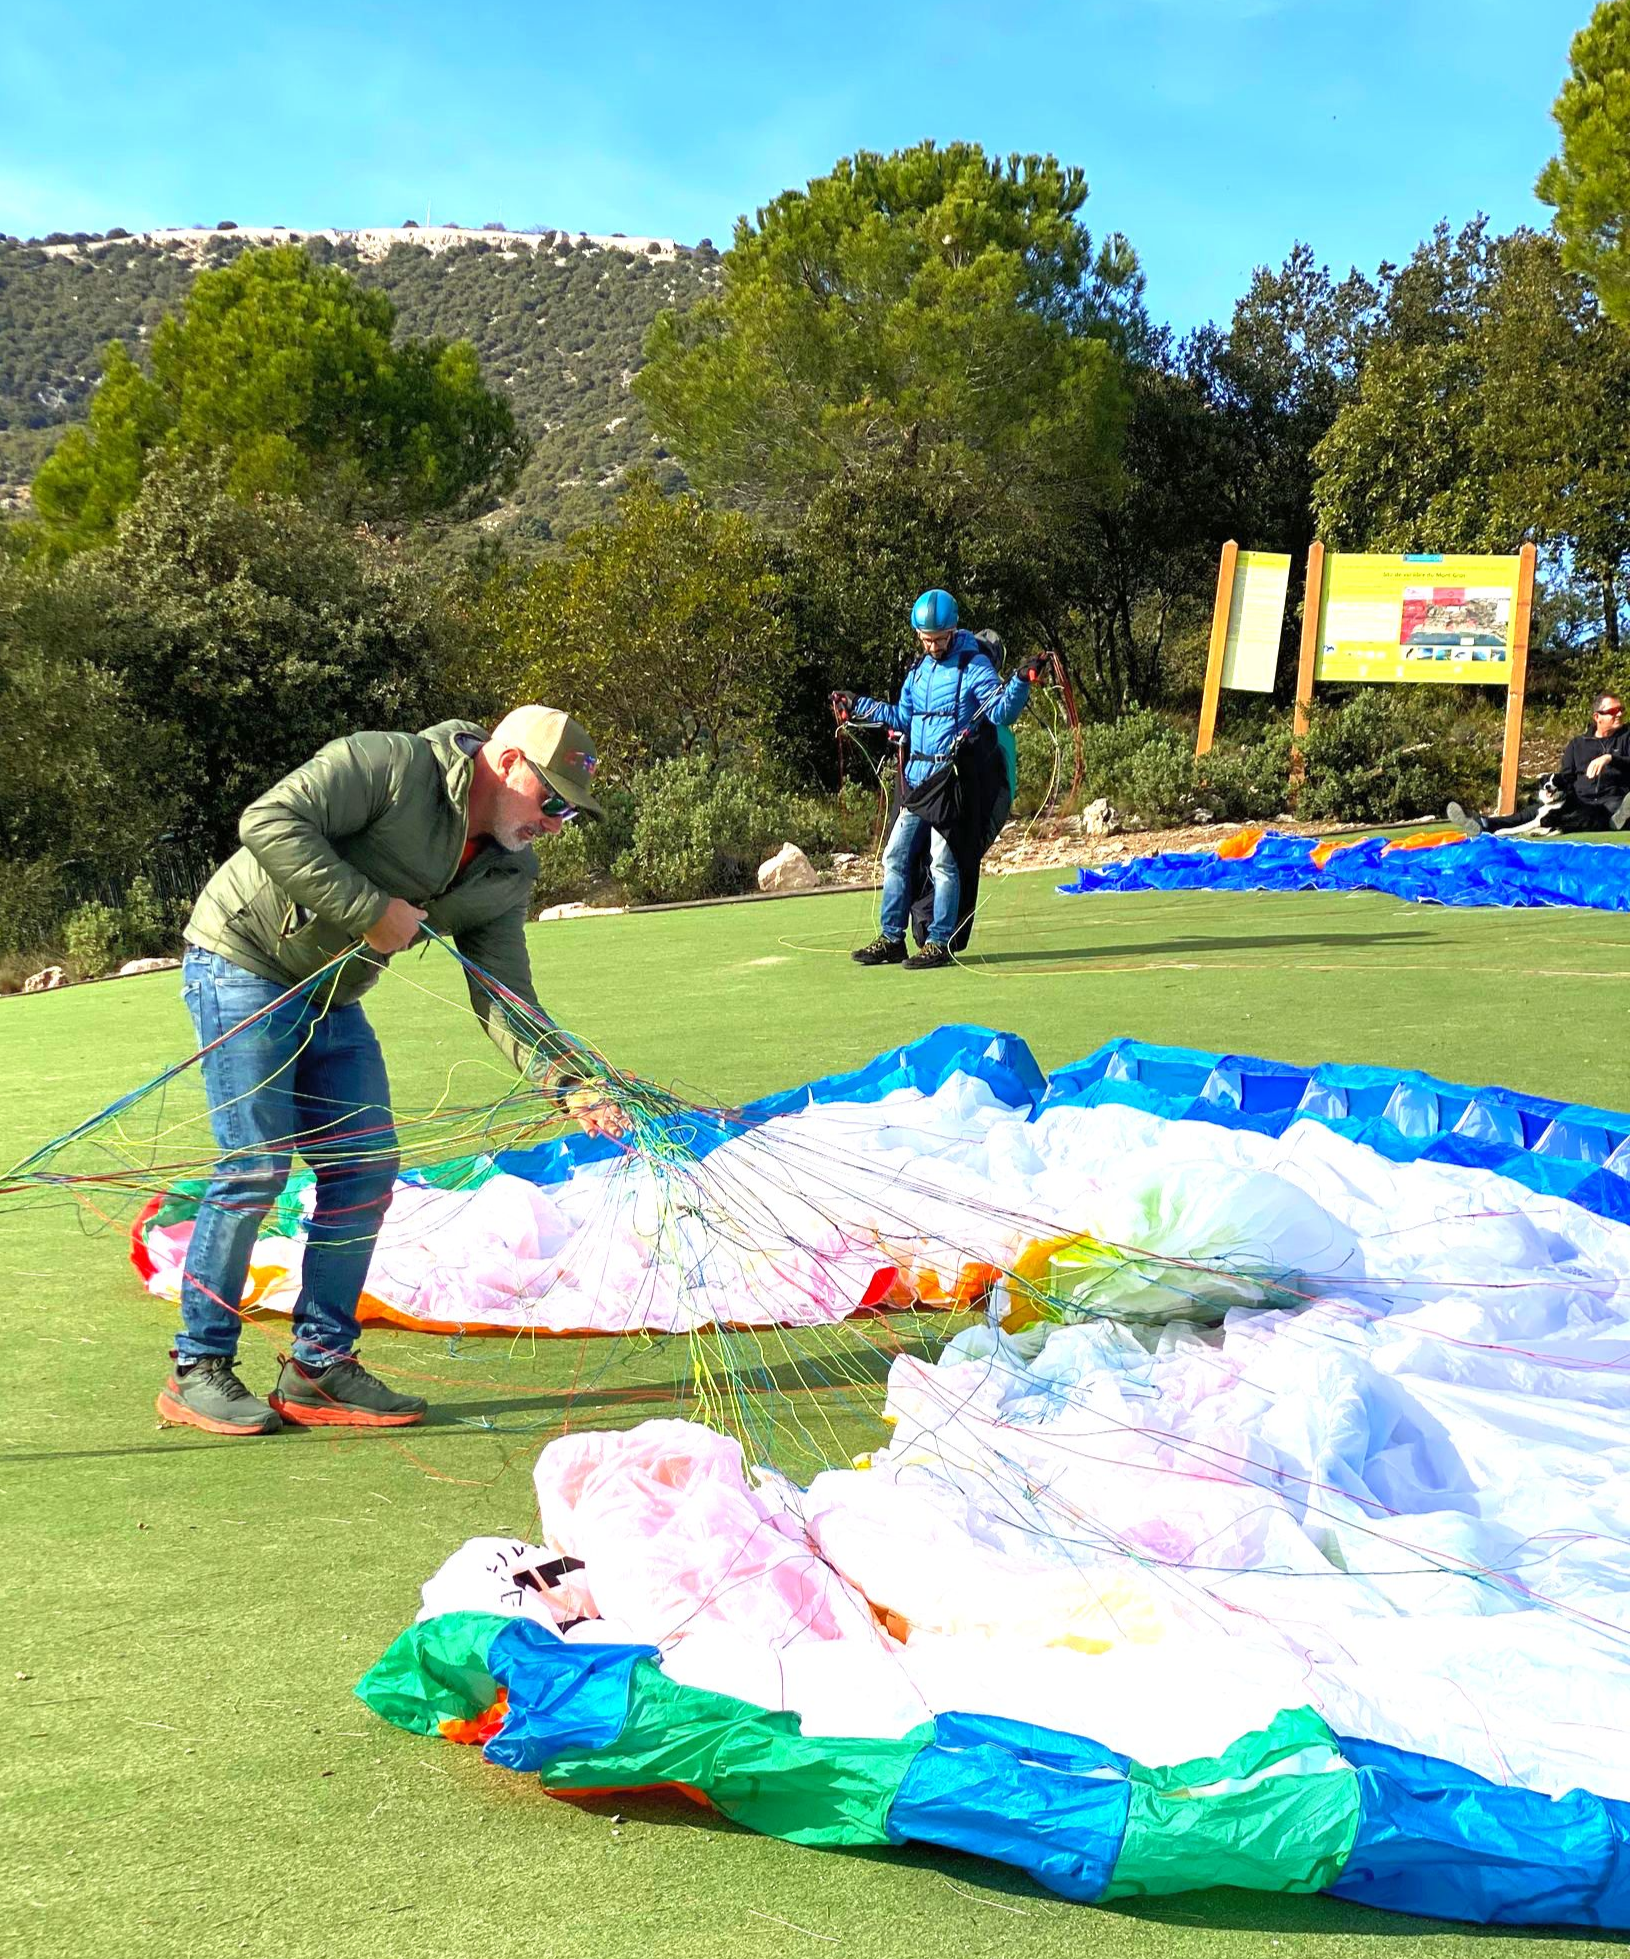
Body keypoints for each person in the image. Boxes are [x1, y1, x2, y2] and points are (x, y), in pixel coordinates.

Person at [157, 706, 625, 1438]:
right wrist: (369, 908)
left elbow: (504, 994)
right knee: (255, 1165)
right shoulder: (390, 765)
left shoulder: (508, 870)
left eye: (570, 812)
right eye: (552, 801)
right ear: (508, 763)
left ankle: (318, 1365)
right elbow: (269, 821)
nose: (556, 823)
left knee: (366, 1170)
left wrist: (571, 1083)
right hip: (243, 960)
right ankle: (198, 1367)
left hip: (332, 996)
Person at [832, 589, 1032, 971]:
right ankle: (892, 938)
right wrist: (858, 704)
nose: (934, 646)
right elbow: (902, 717)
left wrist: (1021, 680)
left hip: (949, 781)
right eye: (927, 640)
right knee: (895, 857)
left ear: (953, 630)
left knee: (943, 862)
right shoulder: (919, 671)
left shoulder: (973, 666)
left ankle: (939, 942)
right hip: (917, 780)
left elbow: (1001, 712)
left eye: (940, 639)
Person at [1448, 695, 1630, 836]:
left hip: (1611, 799)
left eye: (1621, 709)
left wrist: (1610, 758)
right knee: (1532, 812)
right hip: (1578, 800)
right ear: (1597, 717)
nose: (1620, 714)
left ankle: (1614, 821)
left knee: (1607, 812)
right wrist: (1556, 794)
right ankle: (1484, 823)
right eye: (1614, 711)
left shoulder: (1627, 738)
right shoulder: (1577, 744)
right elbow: (1566, 776)